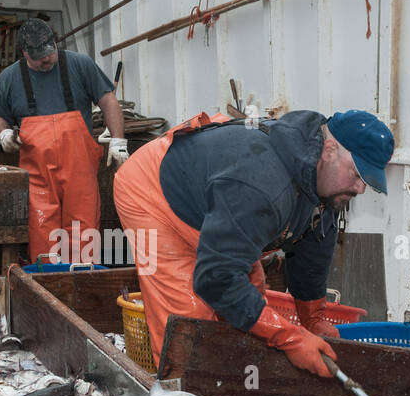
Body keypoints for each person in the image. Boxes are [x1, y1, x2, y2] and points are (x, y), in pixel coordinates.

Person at [112, 109, 394, 379]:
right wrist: (291, 338)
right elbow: (216, 279)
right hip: (154, 196)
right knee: (192, 325)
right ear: (330, 150)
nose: (361, 189)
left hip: (217, 202)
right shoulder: (261, 185)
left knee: (252, 299)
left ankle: (235, 380)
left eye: (366, 181)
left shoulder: (326, 184)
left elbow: (312, 252)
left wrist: (313, 320)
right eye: (357, 175)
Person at [0, 18, 127, 262]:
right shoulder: (9, 78)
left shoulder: (79, 64)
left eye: (50, 53)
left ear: (55, 43)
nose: (47, 60)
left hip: (79, 172)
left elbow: (108, 100)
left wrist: (118, 141)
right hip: (38, 179)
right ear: (24, 53)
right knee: (43, 240)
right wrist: (3, 133)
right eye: (39, 57)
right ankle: (46, 291)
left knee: (83, 238)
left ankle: (81, 287)